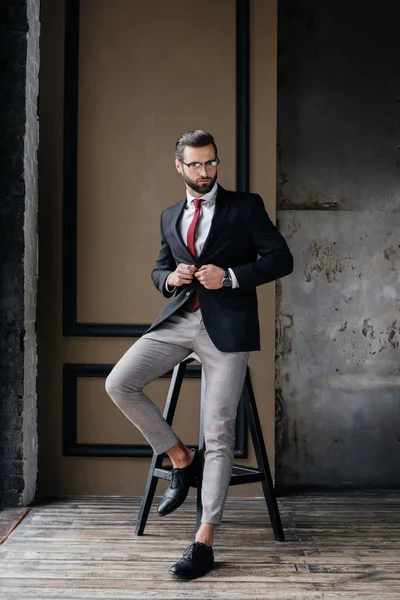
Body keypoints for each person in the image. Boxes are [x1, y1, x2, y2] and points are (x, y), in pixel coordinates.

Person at [105, 130, 293, 579]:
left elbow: (281, 259)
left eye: (212, 163)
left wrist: (228, 276)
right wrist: (171, 279)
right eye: (196, 165)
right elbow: (158, 268)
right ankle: (180, 458)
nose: (206, 172)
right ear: (180, 167)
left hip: (226, 329)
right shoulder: (170, 215)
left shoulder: (245, 207)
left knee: (220, 431)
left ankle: (203, 541)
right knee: (119, 383)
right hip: (179, 321)